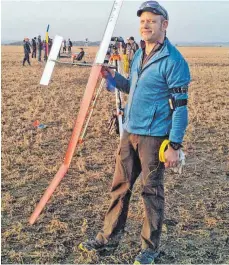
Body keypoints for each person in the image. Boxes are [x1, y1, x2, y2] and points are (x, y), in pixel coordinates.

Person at [79, 1, 190, 264]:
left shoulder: (174, 61)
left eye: (152, 20)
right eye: (142, 21)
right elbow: (134, 87)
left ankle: (150, 248)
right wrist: (113, 78)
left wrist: (174, 144)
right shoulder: (139, 53)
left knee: (151, 192)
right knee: (120, 187)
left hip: (153, 138)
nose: (146, 25)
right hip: (129, 133)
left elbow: (181, 108)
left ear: (164, 25)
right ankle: (108, 238)